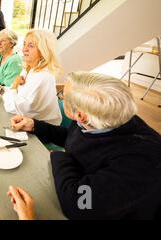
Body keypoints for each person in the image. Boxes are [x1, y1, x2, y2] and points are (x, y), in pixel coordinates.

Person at [10, 71, 161, 219]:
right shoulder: (101, 119)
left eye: (62, 96)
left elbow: (80, 204)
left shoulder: (139, 162)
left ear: (80, 115)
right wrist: (35, 125)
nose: (60, 98)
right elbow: (73, 137)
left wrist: (60, 156)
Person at [2, 30, 62, 125]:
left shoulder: (43, 75)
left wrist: (14, 86)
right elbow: (19, 94)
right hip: (25, 121)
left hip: (41, 133)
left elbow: (12, 106)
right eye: (24, 44)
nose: (24, 49)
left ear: (43, 50)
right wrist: (6, 88)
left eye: (30, 45)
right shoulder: (29, 68)